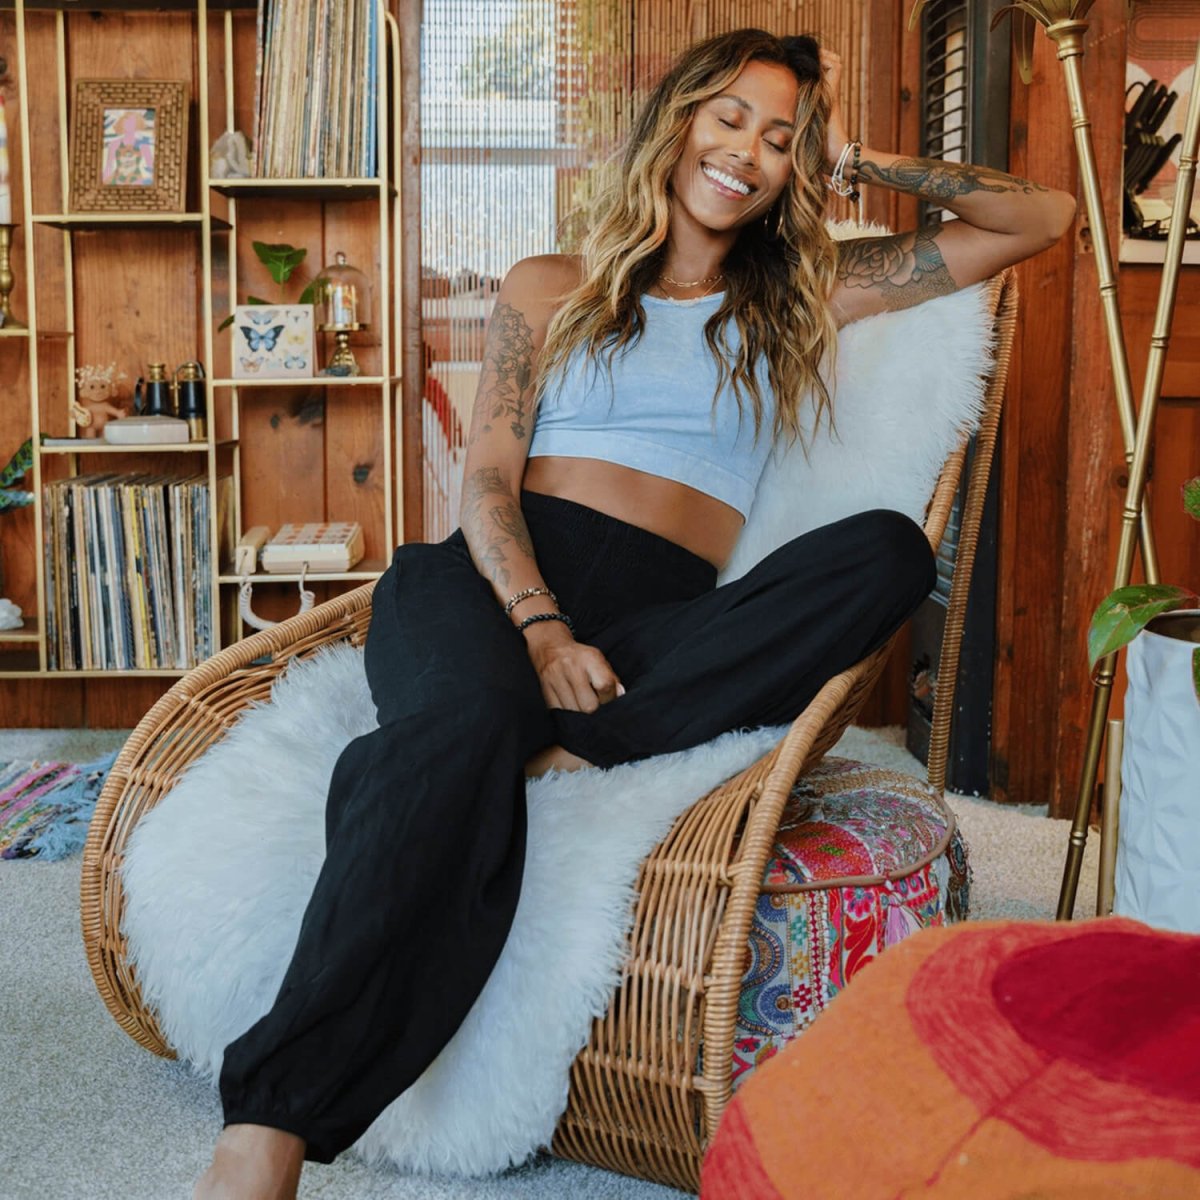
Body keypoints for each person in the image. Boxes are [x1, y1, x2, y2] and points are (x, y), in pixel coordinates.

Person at [196, 28, 1074, 1199]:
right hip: (493, 586)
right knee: (453, 731)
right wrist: (543, 630)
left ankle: (539, 741)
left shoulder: (806, 293)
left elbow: (1040, 217)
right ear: (679, 121)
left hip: (658, 626)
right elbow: (489, 483)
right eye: (729, 118)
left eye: (779, 137)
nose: (746, 152)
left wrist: (860, 155)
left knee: (886, 551)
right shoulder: (548, 287)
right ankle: (267, 1134)